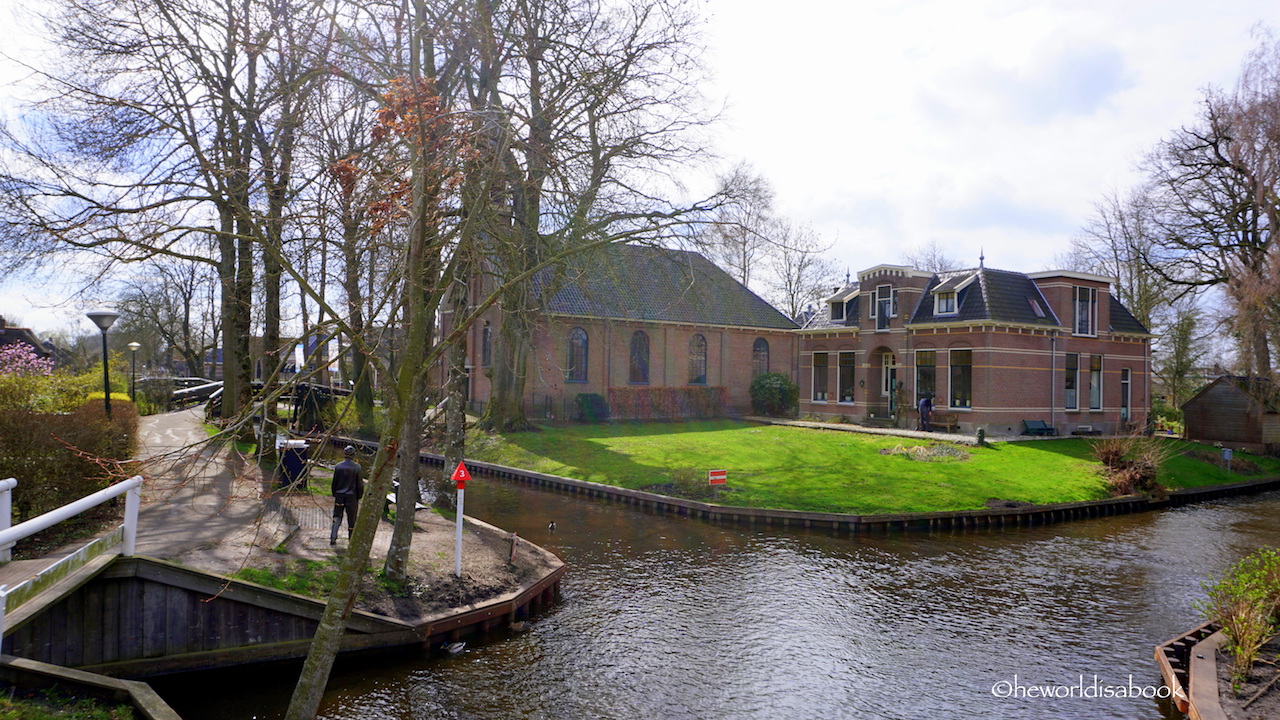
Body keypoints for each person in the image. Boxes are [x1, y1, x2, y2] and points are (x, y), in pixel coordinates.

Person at [330, 445, 364, 545]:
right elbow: (359, 484)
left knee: (337, 516)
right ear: (353, 455)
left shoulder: (338, 466)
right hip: (352, 497)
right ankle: (351, 540)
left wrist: (335, 494)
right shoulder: (357, 467)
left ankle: (333, 537)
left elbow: (334, 483)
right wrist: (359, 496)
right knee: (352, 519)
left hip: (340, 496)